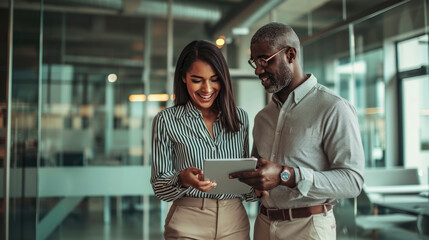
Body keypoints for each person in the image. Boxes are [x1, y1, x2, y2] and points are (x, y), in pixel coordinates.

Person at [229, 22, 365, 240]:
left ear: (290, 55)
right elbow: (261, 176)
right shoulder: (262, 117)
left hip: (308, 227)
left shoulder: (333, 107)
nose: (257, 69)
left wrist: (287, 175)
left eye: (264, 59)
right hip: (263, 224)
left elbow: (353, 181)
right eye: (254, 61)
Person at [151, 40, 256, 240]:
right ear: (184, 77)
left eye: (214, 79)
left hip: (234, 221)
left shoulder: (240, 117)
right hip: (188, 221)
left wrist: (257, 186)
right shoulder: (166, 120)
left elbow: (246, 187)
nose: (207, 88)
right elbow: (159, 187)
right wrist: (182, 179)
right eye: (197, 79)